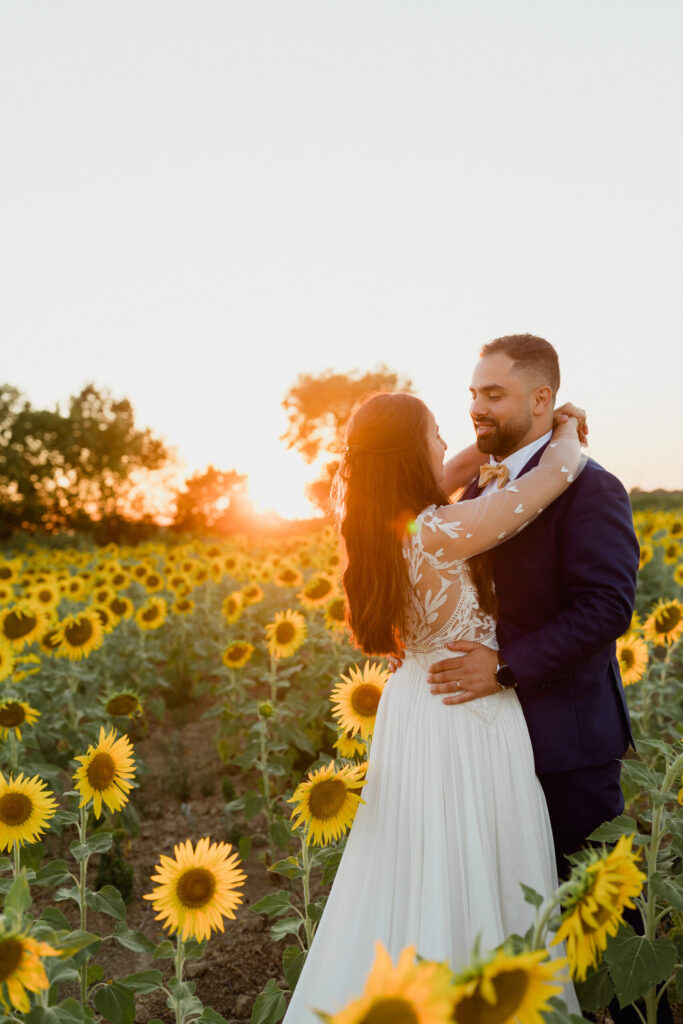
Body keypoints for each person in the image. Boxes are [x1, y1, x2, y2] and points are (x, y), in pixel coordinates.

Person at [282, 389, 584, 1023]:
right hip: (466, 710)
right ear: (409, 453)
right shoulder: (440, 530)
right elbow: (548, 483)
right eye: (436, 433)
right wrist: (565, 430)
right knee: (478, 854)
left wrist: (496, 436)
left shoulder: (373, 524)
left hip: (415, 706)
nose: (448, 444)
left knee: (415, 859)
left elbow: (446, 473)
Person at [425, 334, 665, 1024]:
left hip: (566, 742)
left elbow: (605, 609)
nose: (475, 406)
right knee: (519, 925)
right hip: (483, 743)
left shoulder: (591, 488)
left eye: (492, 394)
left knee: (601, 935)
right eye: (471, 393)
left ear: (540, 399)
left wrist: (503, 669)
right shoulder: (472, 490)